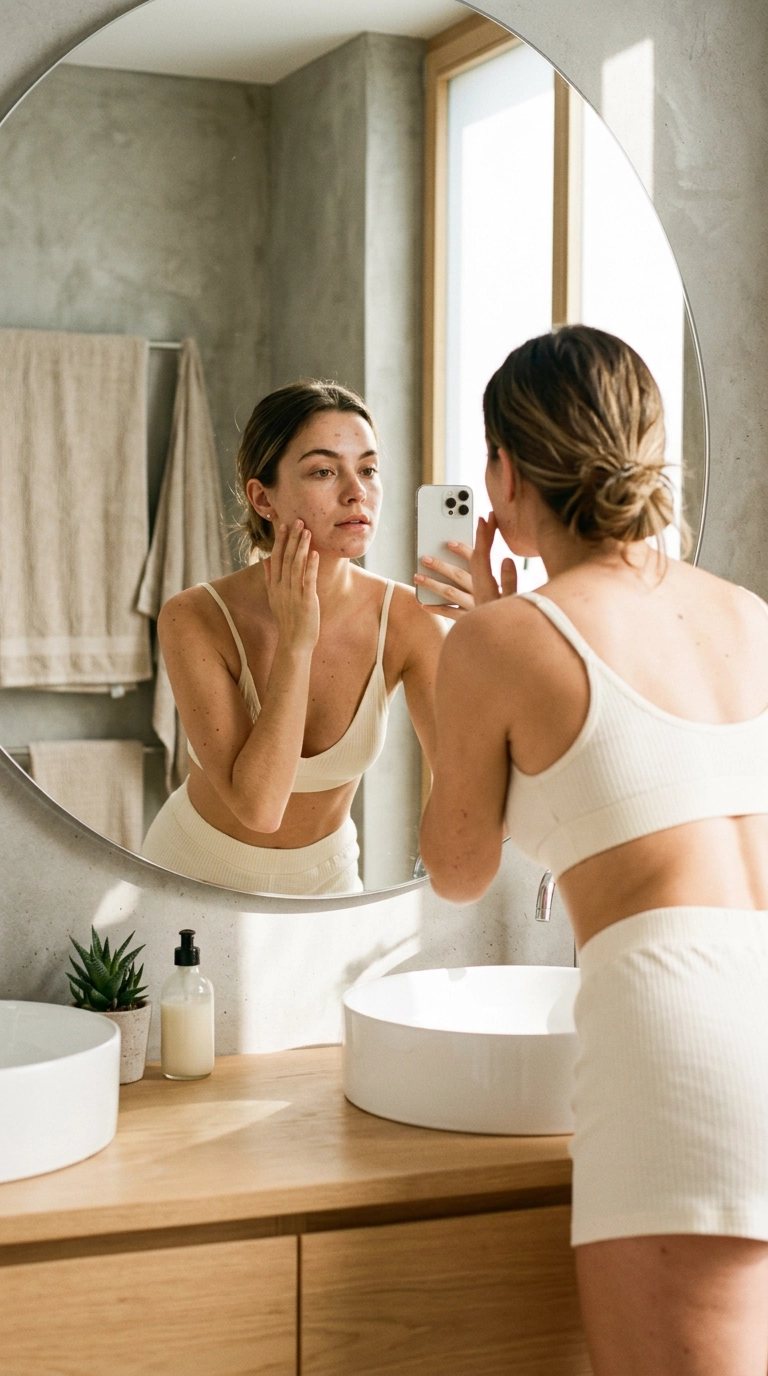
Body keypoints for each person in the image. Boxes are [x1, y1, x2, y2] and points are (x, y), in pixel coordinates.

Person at [418, 325, 768, 1375]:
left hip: (677, 1036)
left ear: (505, 473)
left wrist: (478, 652)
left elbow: (457, 867)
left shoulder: (503, 637)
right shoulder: (745, 615)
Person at [142, 379, 443, 896]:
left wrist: (491, 631)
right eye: (324, 471)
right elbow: (258, 807)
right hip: (191, 882)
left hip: (329, 887)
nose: (356, 492)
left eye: (368, 469)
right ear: (263, 498)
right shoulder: (194, 617)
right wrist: (296, 645)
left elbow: (469, 787)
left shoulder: (408, 620)